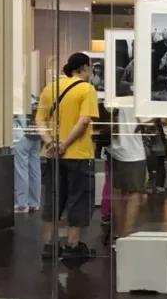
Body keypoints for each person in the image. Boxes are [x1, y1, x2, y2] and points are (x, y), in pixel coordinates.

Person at [35, 52, 100, 259]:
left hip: (52, 155)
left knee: (53, 198)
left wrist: (50, 142)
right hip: (79, 153)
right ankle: (73, 245)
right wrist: (65, 144)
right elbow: (84, 121)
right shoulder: (87, 89)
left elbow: (40, 121)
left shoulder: (50, 88)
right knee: (79, 198)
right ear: (84, 68)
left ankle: (49, 245)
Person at [107, 106, 147, 239]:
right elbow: (147, 120)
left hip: (113, 149)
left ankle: (119, 232)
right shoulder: (137, 100)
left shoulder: (111, 99)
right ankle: (127, 233)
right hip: (133, 151)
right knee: (135, 192)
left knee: (116, 191)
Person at [12, 107, 42, 214]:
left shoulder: (18, 101)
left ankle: (22, 205)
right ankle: (34, 203)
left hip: (22, 136)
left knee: (21, 171)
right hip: (36, 135)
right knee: (35, 170)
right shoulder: (33, 100)